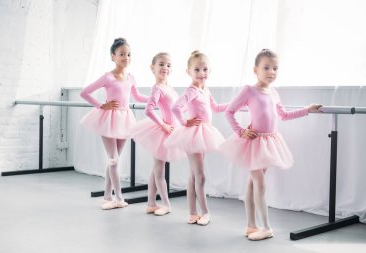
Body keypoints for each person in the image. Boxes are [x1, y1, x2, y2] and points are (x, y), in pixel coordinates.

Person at [220, 49, 322, 240]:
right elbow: (229, 111)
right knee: (260, 183)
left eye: (275, 68)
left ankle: (251, 225)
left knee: (252, 184)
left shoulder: (273, 92)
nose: (271, 72)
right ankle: (266, 227)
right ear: (255, 70)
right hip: (254, 142)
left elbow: (283, 115)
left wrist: (307, 110)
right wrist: (241, 131)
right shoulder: (249, 90)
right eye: (266, 68)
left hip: (269, 142)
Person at [80, 38, 148, 210]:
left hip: (125, 119)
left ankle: (107, 195)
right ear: (113, 56)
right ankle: (118, 198)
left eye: (129, 54)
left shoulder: (131, 77)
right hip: (109, 119)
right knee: (114, 159)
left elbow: (138, 97)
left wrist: (156, 99)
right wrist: (101, 105)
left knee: (114, 159)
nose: (126, 57)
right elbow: (85, 93)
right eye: (122, 54)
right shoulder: (108, 77)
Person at [164, 50, 228, 225]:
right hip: (193, 134)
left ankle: (193, 213)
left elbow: (214, 107)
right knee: (200, 176)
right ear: (188, 72)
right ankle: (205, 212)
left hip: (204, 133)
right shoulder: (192, 91)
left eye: (205, 69)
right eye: (197, 70)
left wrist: (233, 105)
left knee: (194, 175)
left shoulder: (205, 90)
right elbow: (176, 108)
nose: (202, 74)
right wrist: (185, 122)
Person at [131, 52, 185, 216]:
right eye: (161, 64)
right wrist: (163, 125)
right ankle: (166, 204)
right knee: (159, 171)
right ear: (152, 68)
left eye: (168, 65)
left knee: (156, 170)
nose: (165, 68)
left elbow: (174, 107)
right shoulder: (157, 87)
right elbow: (148, 110)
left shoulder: (169, 88)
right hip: (162, 131)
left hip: (172, 130)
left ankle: (151, 203)